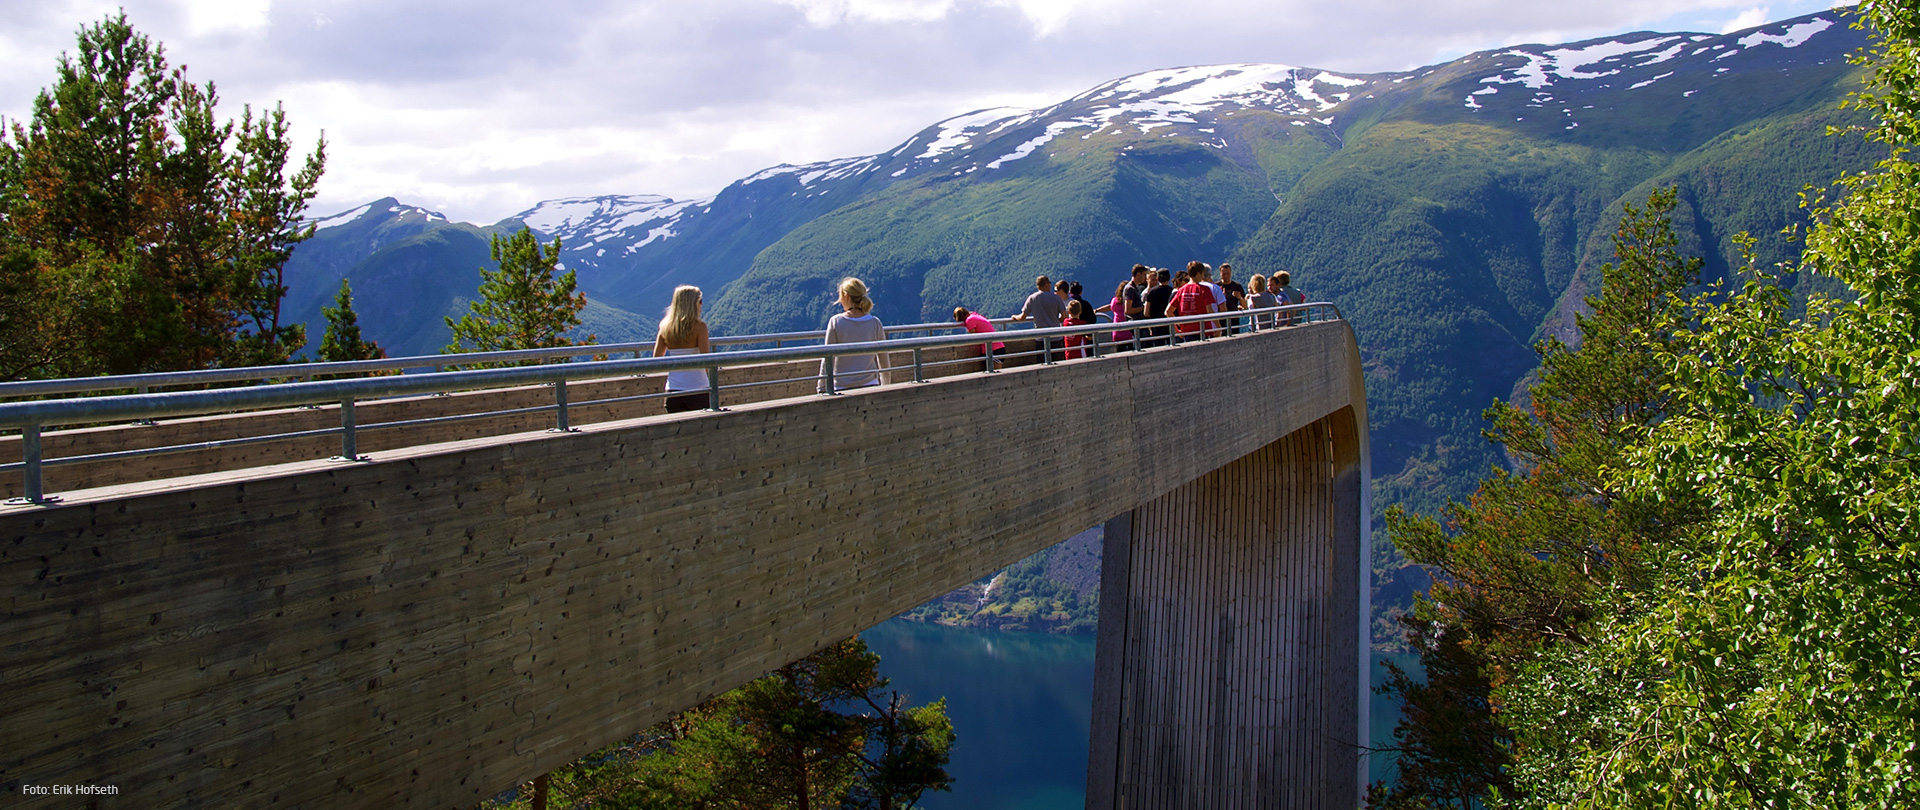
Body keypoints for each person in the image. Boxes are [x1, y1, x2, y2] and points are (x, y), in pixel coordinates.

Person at [653, 285, 713, 413]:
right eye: (700, 301)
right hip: (698, 387)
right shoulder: (700, 327)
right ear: (693, 303)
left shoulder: (664, 327)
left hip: (673, 389)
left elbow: (656, 359)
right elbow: (706, 360)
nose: (702, 304)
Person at [820, 277, 887, 391]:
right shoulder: (875, 323)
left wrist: (821, 386)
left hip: (842, 387)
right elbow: (884, 360)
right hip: (870, 385)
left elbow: (827, 358)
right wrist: (886, 385)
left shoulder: (836, 322)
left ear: (846, 296)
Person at [1013, 274, 1067, 362]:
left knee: (1042, 365)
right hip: (1056, 337)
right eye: (1049, 283)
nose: (1050, 285)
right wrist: (1057, 320)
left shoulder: (1032, 298)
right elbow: (1064, 316)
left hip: (1040, 338)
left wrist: (1014, 317)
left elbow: (1022, 317)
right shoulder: (1056, 298)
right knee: (1059, 364)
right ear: (1046, 284)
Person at [1169, 263, 1217, 340]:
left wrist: (1177, 330)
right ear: (1198, 273)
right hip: (1204, 332)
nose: (1203, 276)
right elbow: (1210, 311)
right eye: (1202, 274)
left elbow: (1168, 311)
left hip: (1187, 333)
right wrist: (1218, 327)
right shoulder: (1204, 289)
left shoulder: (1181, 290)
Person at [953, 306, 1005, 372]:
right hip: (998, 346)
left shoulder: (969, 320)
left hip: (993, 349)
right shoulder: (974, 315)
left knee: (994, 373)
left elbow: (973, 336)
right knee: (996, 373)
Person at [1142, 268, 1174, 347]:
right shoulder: (1172, 291)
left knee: (1158, 347)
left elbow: (1146, 313)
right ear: (1169, 278)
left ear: (1157, 278)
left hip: (1156, 325)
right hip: (1170, 324)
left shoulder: (1152, 292)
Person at [1096, 280, 1133, 349]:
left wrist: (1097, 310)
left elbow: (1110, 307)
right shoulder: (1128, 302)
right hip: (1128, 330)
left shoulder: (1115, 301)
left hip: (1117, 330)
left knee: (1120, 351)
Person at [1196, 262, 1227, 337]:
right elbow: (1223, 310)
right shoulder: (1215, 288)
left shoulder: (1195, 287)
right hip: (1213, 327)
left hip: (1196, 327)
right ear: (1210, 275)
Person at [1219, 263, 1247, 335]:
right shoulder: (1217, 287)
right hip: (1220, 320)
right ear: (1220, 274)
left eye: (1227, 273)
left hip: (1234, 320)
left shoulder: (1237, 286)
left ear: (1231, 273)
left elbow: (1245, 306)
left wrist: (1239, 298)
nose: (1225, 276)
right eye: (1223, 274)